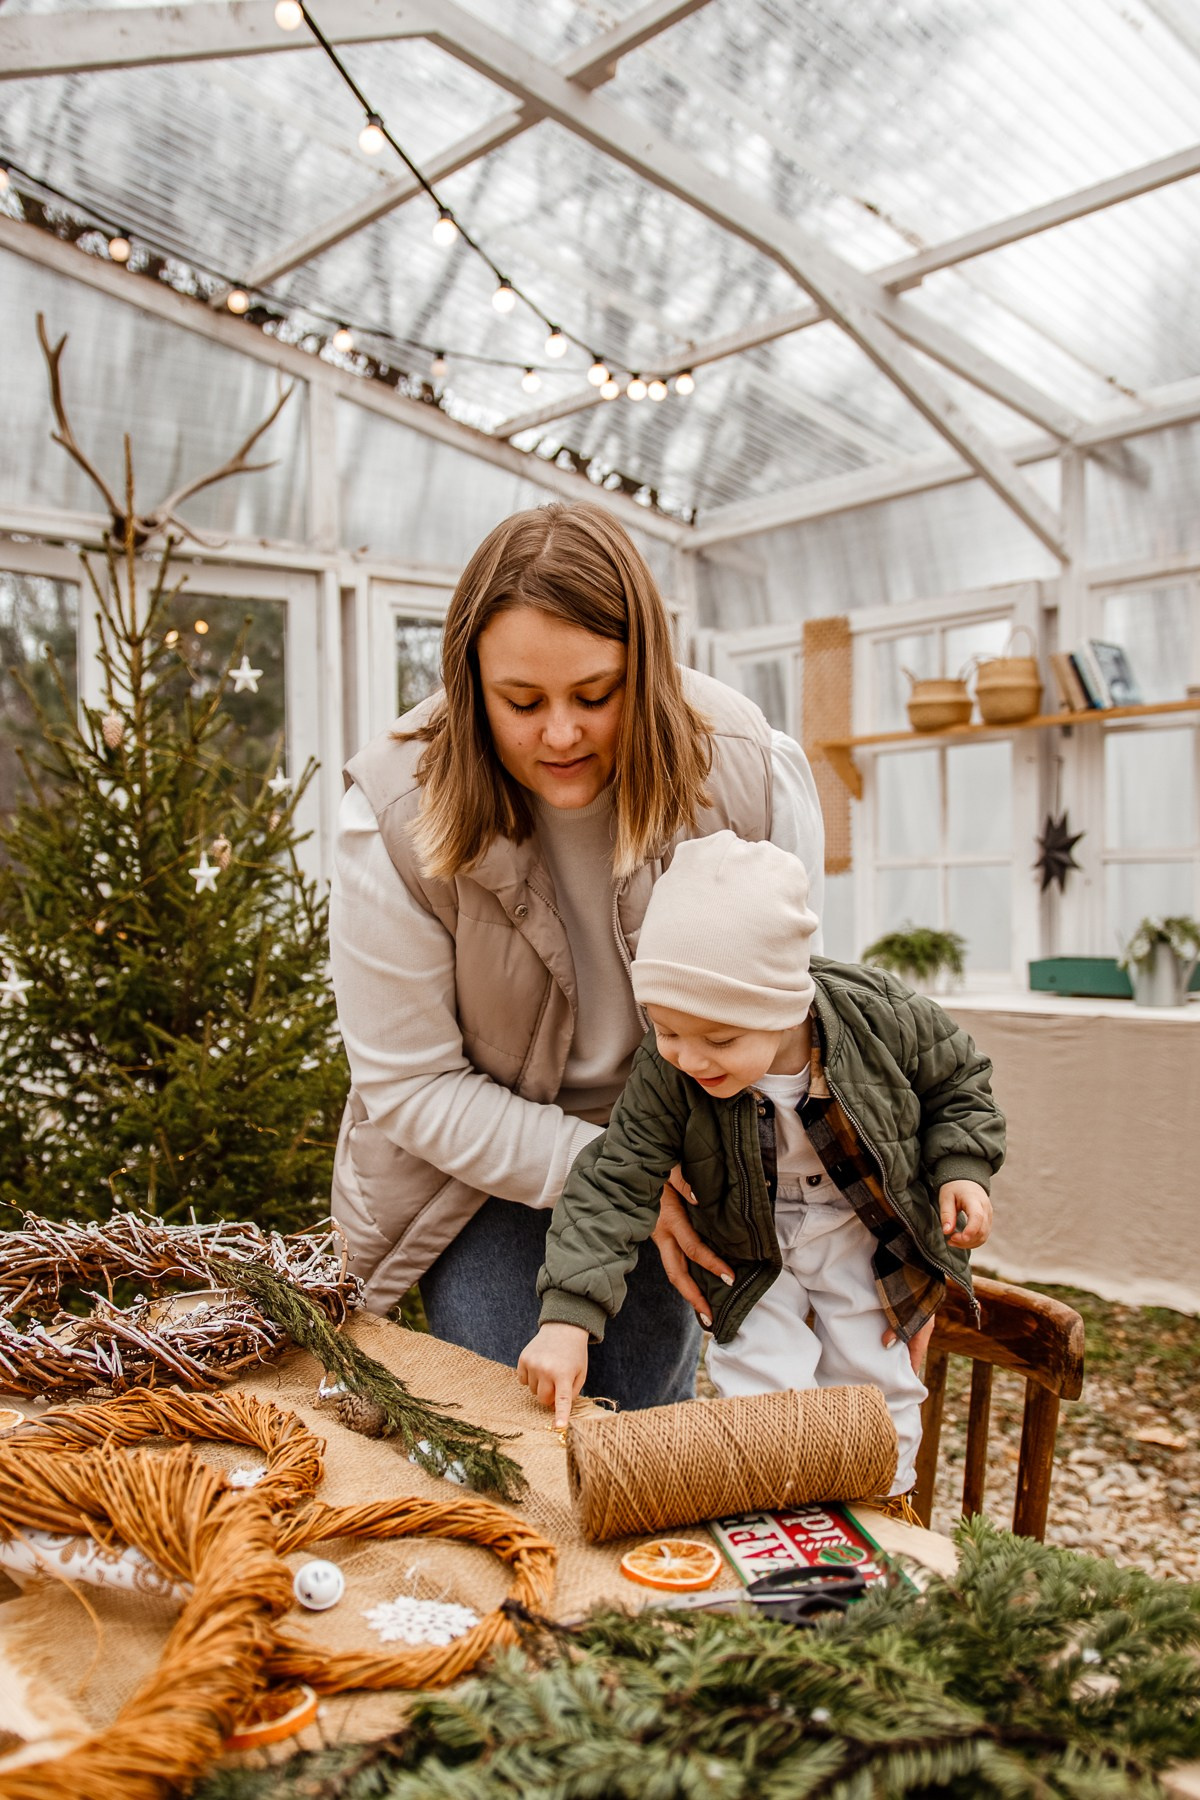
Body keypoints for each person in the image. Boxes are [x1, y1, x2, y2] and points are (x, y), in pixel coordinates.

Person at [328, 501, 825, 1410]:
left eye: (597, 695)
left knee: (641, 1416)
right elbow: (409, 1087)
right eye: (522, 703)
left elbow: (792, 997)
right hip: (486, 1164)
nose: (561, 735)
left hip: (680, 1138)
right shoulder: (391, 812)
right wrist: (609, 1177)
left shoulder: (747, 765)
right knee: (523, 1429)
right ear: (469, 681)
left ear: (652, 668)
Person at [518, 833, 1005, 1493]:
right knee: (762, 1393)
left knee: (875, 1387)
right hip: (747, 1249)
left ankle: (877, 1523)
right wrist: (567, 1319)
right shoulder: (670, 1071)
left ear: (784, 1009)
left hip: (861, 1233)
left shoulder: (877, 1016)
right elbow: (613, 1180)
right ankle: (777, 1526)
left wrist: (962, 1168)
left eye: (719, 1039)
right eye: (666, 1031)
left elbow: (959, 1082)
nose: (690, 1058)